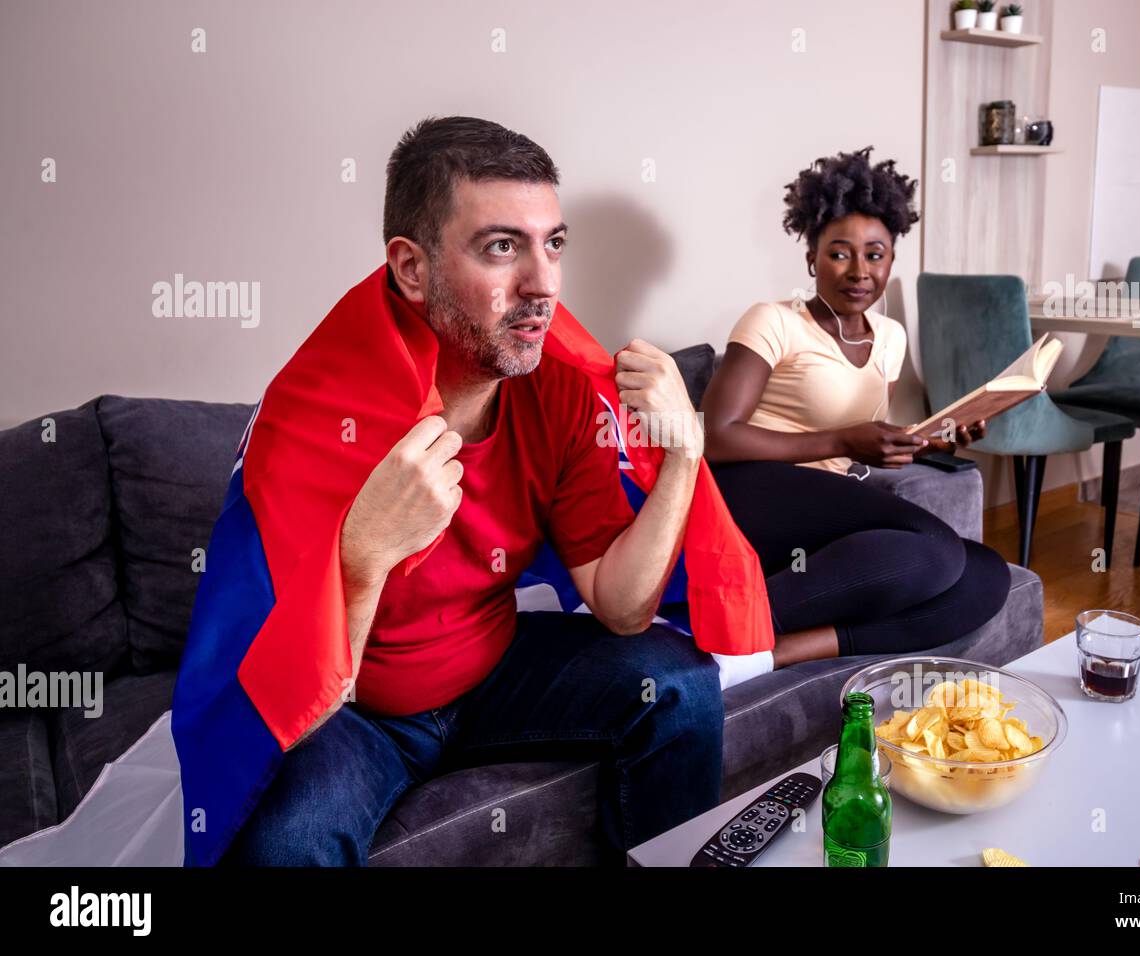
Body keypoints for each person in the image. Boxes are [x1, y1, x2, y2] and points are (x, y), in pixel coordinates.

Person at [220, 116, 726, 866]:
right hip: (361, 712)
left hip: (490, 665)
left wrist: (683, 456)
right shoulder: (320, 415)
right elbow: (307, 700)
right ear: (412, 269)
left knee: (679, 685)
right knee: (281, 843)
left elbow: (621, 607)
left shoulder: (554, 387)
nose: (543, 284)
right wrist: (365, 556)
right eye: (501, 247)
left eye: (553, 243)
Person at [701, 148, 1011, 670]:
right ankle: (721, 620)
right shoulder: (772, 321)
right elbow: (712, 436)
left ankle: (774, 653)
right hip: (745, 491)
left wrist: (931, 441)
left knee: (985, 574)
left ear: (891, 261)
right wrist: (845, 440)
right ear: (811, 259)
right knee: (936, 549)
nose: (859, 271)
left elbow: (869, 442)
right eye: (840, 253)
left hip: (820, 506)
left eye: (876, 254)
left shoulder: (890, 337)